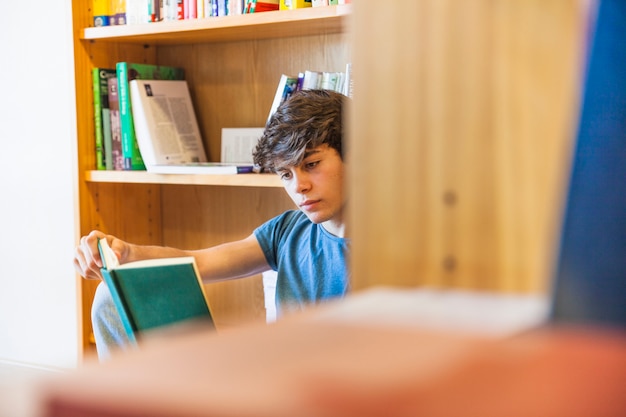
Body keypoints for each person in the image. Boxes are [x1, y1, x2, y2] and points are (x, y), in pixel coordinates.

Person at [73, 89, 350, 359]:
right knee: (110, 294)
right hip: (268, 383)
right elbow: (197, 262)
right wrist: (124, 253)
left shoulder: (388, 247)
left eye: (312, 164)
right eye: (285, 174)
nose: (299, 186)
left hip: (329, 392)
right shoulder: (289, 230)